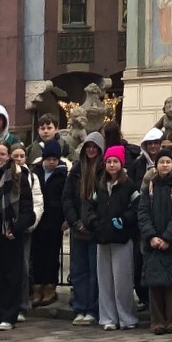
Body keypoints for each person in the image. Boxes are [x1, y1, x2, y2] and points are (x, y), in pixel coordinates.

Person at [0, 141, 35, 330]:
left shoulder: (19, 175)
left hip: (11, 232)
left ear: (8, 156)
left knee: (11, 275)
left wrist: (16, 227)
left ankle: (8, 316)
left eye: (2, 154)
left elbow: (27, 209)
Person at [87, 145, 139, 331]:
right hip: (103, 238)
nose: (111, 165)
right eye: (109, 161)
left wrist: (124, 220)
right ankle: (108, 317)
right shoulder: (100, 185)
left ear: (121, 163)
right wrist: (94, 222)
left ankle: (126, 317)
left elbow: (137, 207)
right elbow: (91, 207)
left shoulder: (129, 185)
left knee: (122, 280)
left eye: (115, 161)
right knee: (105, 280)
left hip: (121, 238)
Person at [137, 149, 172, 335]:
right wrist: (151, 236)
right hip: (152, 242)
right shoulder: (149, 186)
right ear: (156, 165)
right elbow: (143, 212)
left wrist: (167, 237)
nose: (164, 165)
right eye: (161, 162)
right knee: (155, 283)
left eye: (168, 162)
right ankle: (157, 320)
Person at [63, 131, 103, 326]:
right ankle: (80, 307)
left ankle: (93, 309)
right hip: (78, 228)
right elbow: (67, 198)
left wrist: (95, 223)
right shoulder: (76, 170)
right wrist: (75, 222)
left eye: (95, 147)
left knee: (95, 271)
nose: (91, 150)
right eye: (89, 147)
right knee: (79, 271)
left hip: (95, 229)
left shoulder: (104, 170)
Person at [31, 140, 68, 308]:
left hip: (54, 221)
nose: (52, 162)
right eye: (49, 159)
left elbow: (65, 197)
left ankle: (50, 287)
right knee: (37, 255)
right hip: (38, 220)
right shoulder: (36, 172)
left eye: (55, 159)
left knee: (51, 255)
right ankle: (37, 286)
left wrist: (65, 218)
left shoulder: (63, 174)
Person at [11, 142, 44, 321]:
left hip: (24, 229)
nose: (18, 159)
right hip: (5, 228)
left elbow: (37, 202)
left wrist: (31, 222)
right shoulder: (4, 174)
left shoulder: (31, 176)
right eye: (15, 156)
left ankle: (22, 305)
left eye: (21, 156)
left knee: (23, 267)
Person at [131, 127, 163, 310]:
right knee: (140, 263)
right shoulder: (138, 164)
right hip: (142, 219)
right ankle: (144, 297)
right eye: (149, 143)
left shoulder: (168, 162)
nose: (153, 147)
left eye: (156, 143)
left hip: (163, 218)